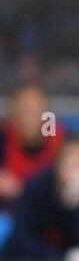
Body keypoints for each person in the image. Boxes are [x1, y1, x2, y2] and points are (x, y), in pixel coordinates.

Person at [6, 137, 79, 261]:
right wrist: (63, 258)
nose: (76, 170)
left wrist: (74, 203)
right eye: (71, 163)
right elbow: (21, 240)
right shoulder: (35, 186)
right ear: (58, 164)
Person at [0, 82, 63, 211]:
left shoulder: (56, 137)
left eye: (32, 111)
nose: (27, 117)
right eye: (23, 110)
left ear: (44, 113)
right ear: (14, 113)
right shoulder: (3, 136)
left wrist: (22, 188)